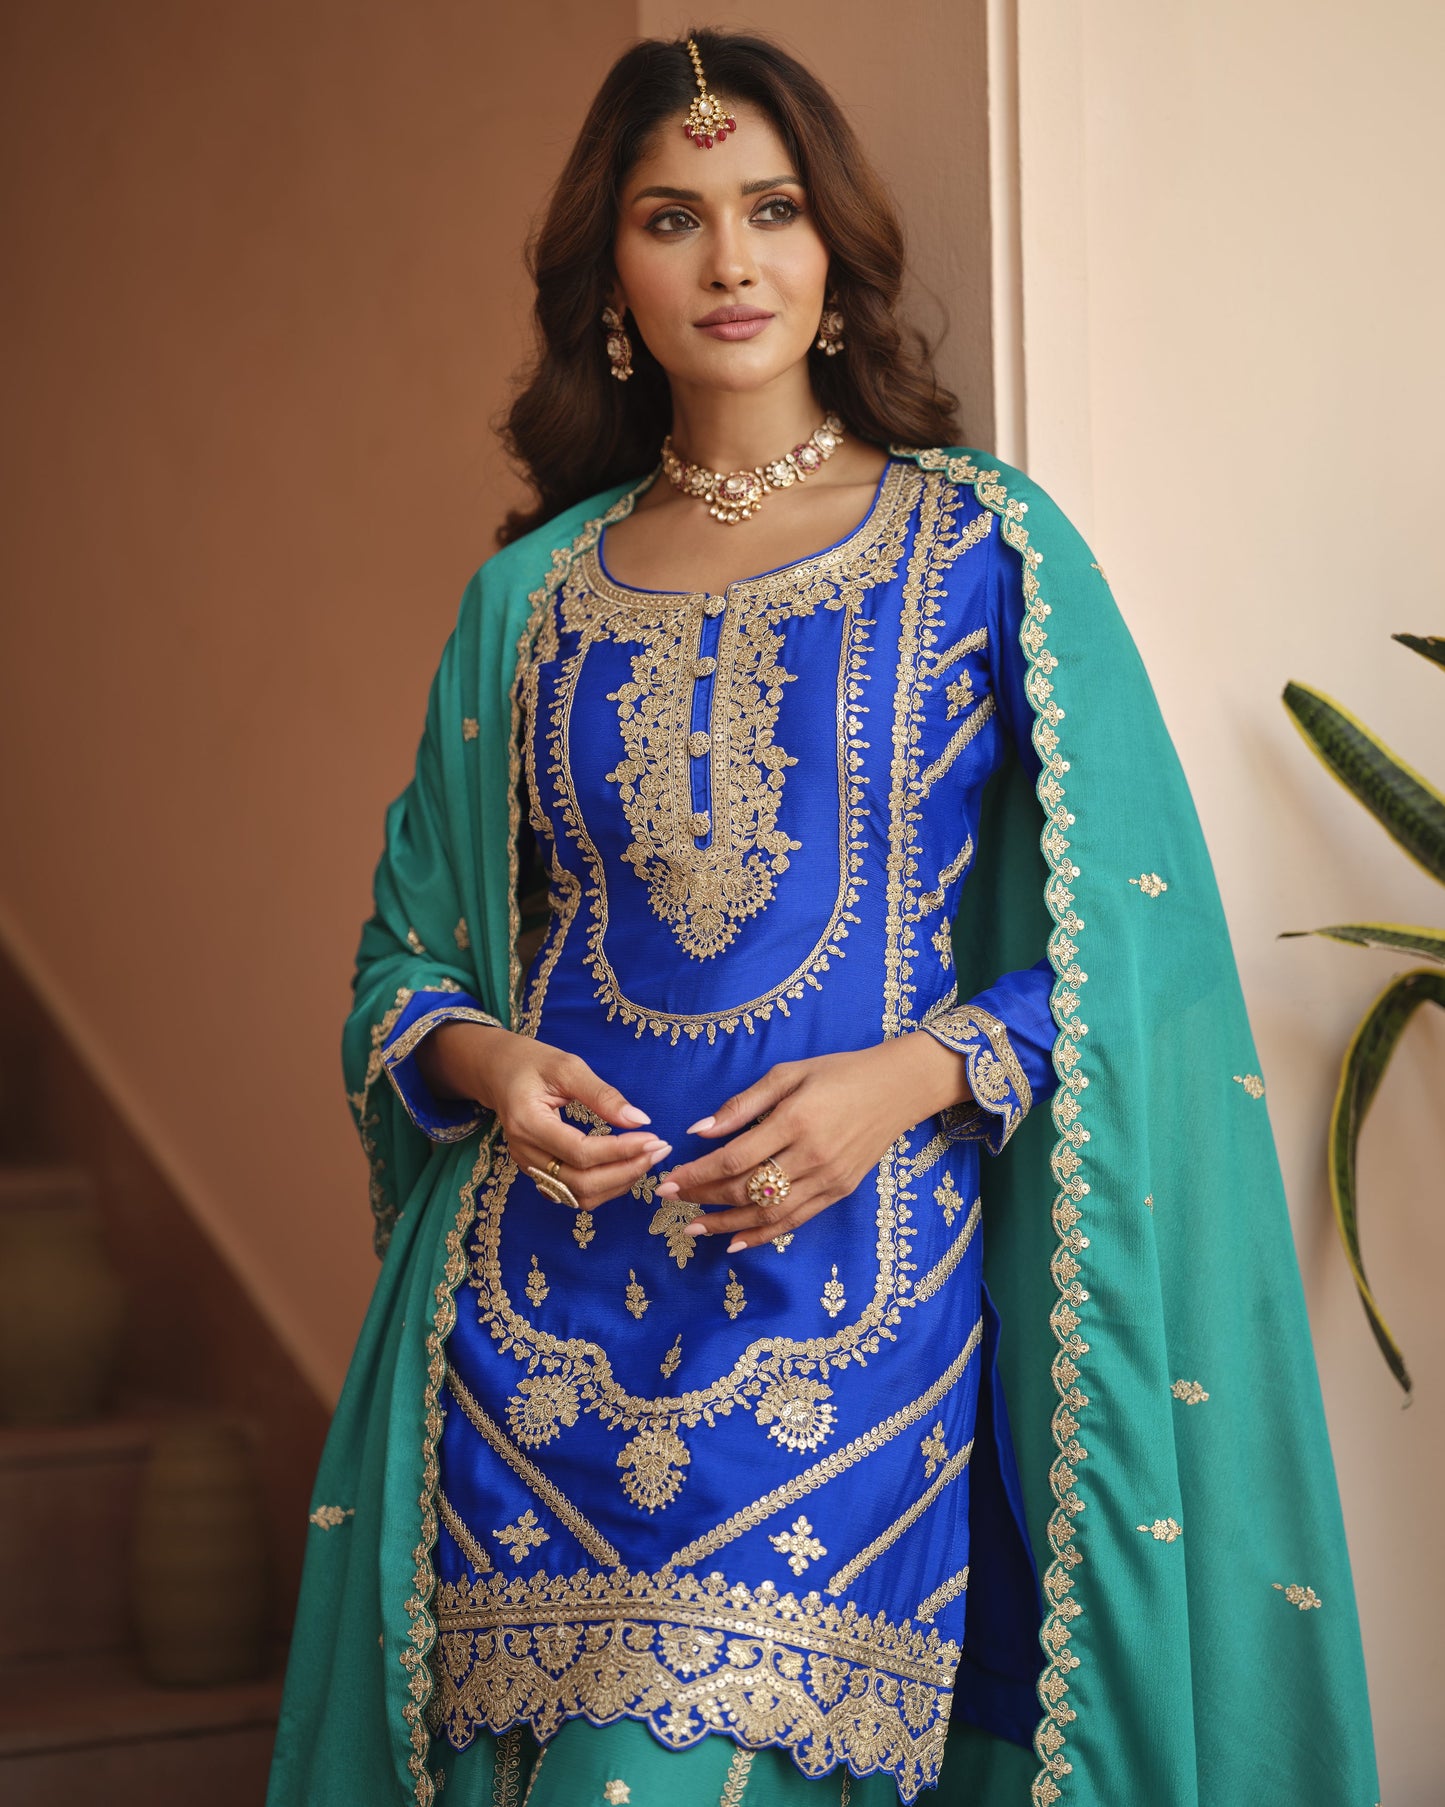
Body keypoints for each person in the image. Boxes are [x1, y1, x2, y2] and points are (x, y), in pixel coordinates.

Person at [267, 29, 1378, 1807]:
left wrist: (909, 1080)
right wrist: (488, 1066)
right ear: (609, 281)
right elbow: (405, 960)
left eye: (771, 210)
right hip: (536, 1321)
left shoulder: (983, 549)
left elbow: (1137, 953)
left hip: (847, 1297)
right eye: (673, 217)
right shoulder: (524, 600)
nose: (729, 260)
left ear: (832, 252)